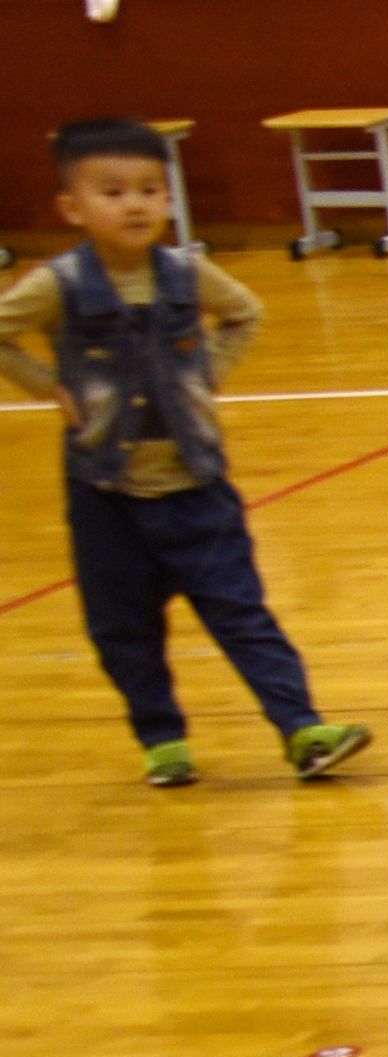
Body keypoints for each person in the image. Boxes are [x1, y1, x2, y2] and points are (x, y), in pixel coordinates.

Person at [3, 120, 359, 787]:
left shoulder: (187, 273)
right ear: (72, 208)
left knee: (242, 613)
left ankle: (302, 728)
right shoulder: (60, 285)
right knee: (124, 630)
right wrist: (50, 386)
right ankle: (161, 737)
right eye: (113, 192)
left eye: (150, 190)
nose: (135, 205)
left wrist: (206, 376)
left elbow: (246, 313)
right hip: (105, 498)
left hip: (198, 491)